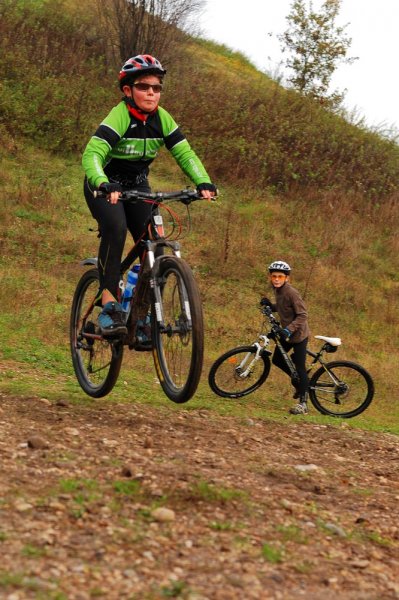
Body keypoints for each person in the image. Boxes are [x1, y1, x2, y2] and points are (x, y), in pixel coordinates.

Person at [82, 54, 217, 337]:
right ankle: (108, 304)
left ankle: (142, 315)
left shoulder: (162, 119)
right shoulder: (119, 117)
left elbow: (184, 153)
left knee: (155, 245)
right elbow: (93, 154)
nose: (151, 93)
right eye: (144, 87)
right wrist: (103, 182)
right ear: (128, 91)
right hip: (105, 186)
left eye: (156, 88)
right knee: (116, 229)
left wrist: (202, 180)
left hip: (138, 186)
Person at [260, 261, 310, 415]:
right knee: (277, 360)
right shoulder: (278, 290)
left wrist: (288, 330)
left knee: (300, 368)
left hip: (299, 335)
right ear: (270, 277)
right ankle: (298, 380)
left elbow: (302, 315)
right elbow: (284, 308)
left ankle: (303, 403)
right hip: (287, 334)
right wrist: (271, 305)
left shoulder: (291, 292)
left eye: (280, 277)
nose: (276, 279)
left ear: (287, 278)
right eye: (274, 276)